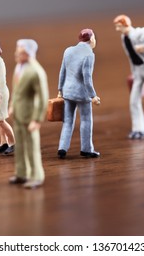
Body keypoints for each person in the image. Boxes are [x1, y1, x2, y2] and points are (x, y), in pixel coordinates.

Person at [9, 39, 49, 189]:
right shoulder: (19, 68)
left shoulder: (36, 72)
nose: (16, 54)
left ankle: (36, 176)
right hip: (18, 114)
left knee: (32, 146)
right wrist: (12, 106)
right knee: (19, 146)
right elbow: (16, 90)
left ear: (28, 53)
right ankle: (21, 173)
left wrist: (37, 120)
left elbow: (43, 97)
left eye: (19, 52)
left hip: (29, 115)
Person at [57, 29, 101, 159]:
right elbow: (87, 78)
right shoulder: (89, 54)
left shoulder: (68, 50)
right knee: (86, 119)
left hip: (67, 92)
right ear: (91, 39)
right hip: (82, 94)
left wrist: (60, 89)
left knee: (67, 121)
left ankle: (62, 148)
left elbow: (62, 71)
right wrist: (93, 96)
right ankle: (86, 149)